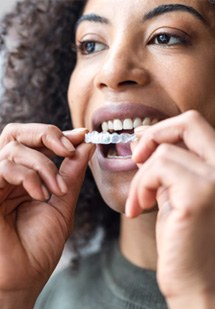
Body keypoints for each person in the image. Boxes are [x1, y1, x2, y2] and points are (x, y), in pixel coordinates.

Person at [0, 0, 215, 308]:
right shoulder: (54, 297)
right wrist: (10, 297)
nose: (112, 71)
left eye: (165, 37)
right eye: (90, 45)